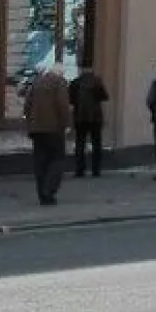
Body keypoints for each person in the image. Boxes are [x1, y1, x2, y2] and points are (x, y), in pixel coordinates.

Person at [24, 64, 70, 206]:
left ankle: (42, 195)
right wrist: (66, 124)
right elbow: (62, 105)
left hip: (36, 130)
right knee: (57, 160)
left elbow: (27, 105)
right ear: (60, 73)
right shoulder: (59, 82)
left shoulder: (37, 82)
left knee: (40, 162)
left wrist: (31, 122)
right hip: (53, 128)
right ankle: (48, 191)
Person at [68, 68, 109, 177]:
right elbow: (105, 97)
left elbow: (70, 100)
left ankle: (80, 170)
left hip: (80, 117)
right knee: (96, 143)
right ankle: (96, 170)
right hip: (95, 117)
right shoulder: (97, 81)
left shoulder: (75, 82)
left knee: (80, 143)